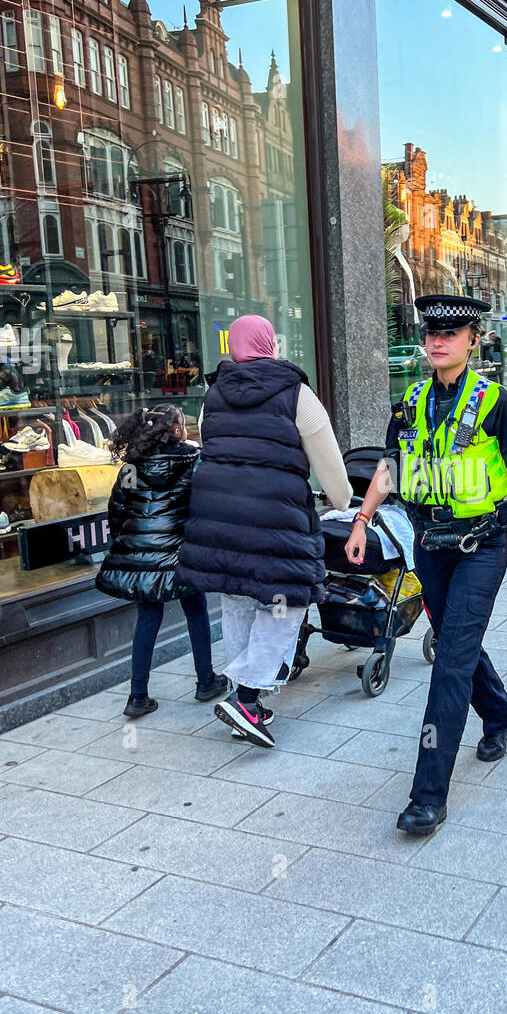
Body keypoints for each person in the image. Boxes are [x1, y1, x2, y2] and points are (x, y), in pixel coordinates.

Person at [346, 293, 507, 837]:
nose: (438, 341)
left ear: (472, 340)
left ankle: (427, 795)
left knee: (449, 663)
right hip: (430, 546)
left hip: (481, 548)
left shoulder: (496, 402)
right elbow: (390, 468)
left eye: (451, 332)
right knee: (456, 640)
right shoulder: (411, 400)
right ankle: (500, 714)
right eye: (431, 333)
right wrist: (362, 519)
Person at [176, 315, 352, 748]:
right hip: (275, 523)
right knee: (284, 602)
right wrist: (344, 500)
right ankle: (249, 697)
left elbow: (212, 449)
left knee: (236, 597)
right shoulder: (298, 395)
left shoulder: (213, 395)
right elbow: (328, 461)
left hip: (219, 521)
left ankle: (243, 699)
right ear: (270, 344)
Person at [96, 404, 227, 719]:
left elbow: (117, 511)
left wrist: (126, 543)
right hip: (183, 551)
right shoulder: (193, 460)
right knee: (196, 612)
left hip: (140, 555)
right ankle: (205, 681)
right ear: (177, 429)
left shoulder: (131, 468)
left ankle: (137, 695)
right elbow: (207, 505)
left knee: (147, 619)